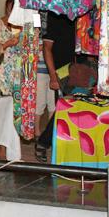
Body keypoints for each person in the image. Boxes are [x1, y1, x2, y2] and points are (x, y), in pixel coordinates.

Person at [35, 11, 76, 162]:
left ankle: (49, 143)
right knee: (63, 109)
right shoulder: (56, 15)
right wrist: (53, 76)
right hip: (63, 72)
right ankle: (44, 142)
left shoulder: (83, 15)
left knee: (73, 110)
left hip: (82, 69)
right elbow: (47, 48)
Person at [0, 0, 22, 96]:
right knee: (0, 103)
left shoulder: (21, 26)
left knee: (15, 105)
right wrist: (8, 44)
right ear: (7, 8)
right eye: (12, 8)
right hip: (0, 71)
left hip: (17, 71)